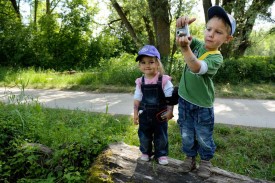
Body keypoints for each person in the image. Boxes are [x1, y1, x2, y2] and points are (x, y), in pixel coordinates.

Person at [175, 6, 236, 178]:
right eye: (209, 29)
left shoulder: (216, 57)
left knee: (203, 135)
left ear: (227, 38)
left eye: (218, 32)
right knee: (186, 133)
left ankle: (206, 161)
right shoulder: (197, 45)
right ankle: (189, 157)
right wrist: (180, 28)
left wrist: (185, 49)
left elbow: (196, 67)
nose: (211, 34)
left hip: (202, 106)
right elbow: (182, 40)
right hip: (184, 101)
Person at [133, 45, 175, 165]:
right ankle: (145, 152)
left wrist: (170, 111)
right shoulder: (140, 82)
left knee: (161, 136)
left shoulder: (164, 80)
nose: (147, 65)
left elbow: (170, 97)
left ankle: (161, 154)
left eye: (151, 62)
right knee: (144, 135)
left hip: (160, 115)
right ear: (140, 65)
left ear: (158, 64)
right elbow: (137, 99)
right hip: (144, 115)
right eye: (143, 62)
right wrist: (135, 114)